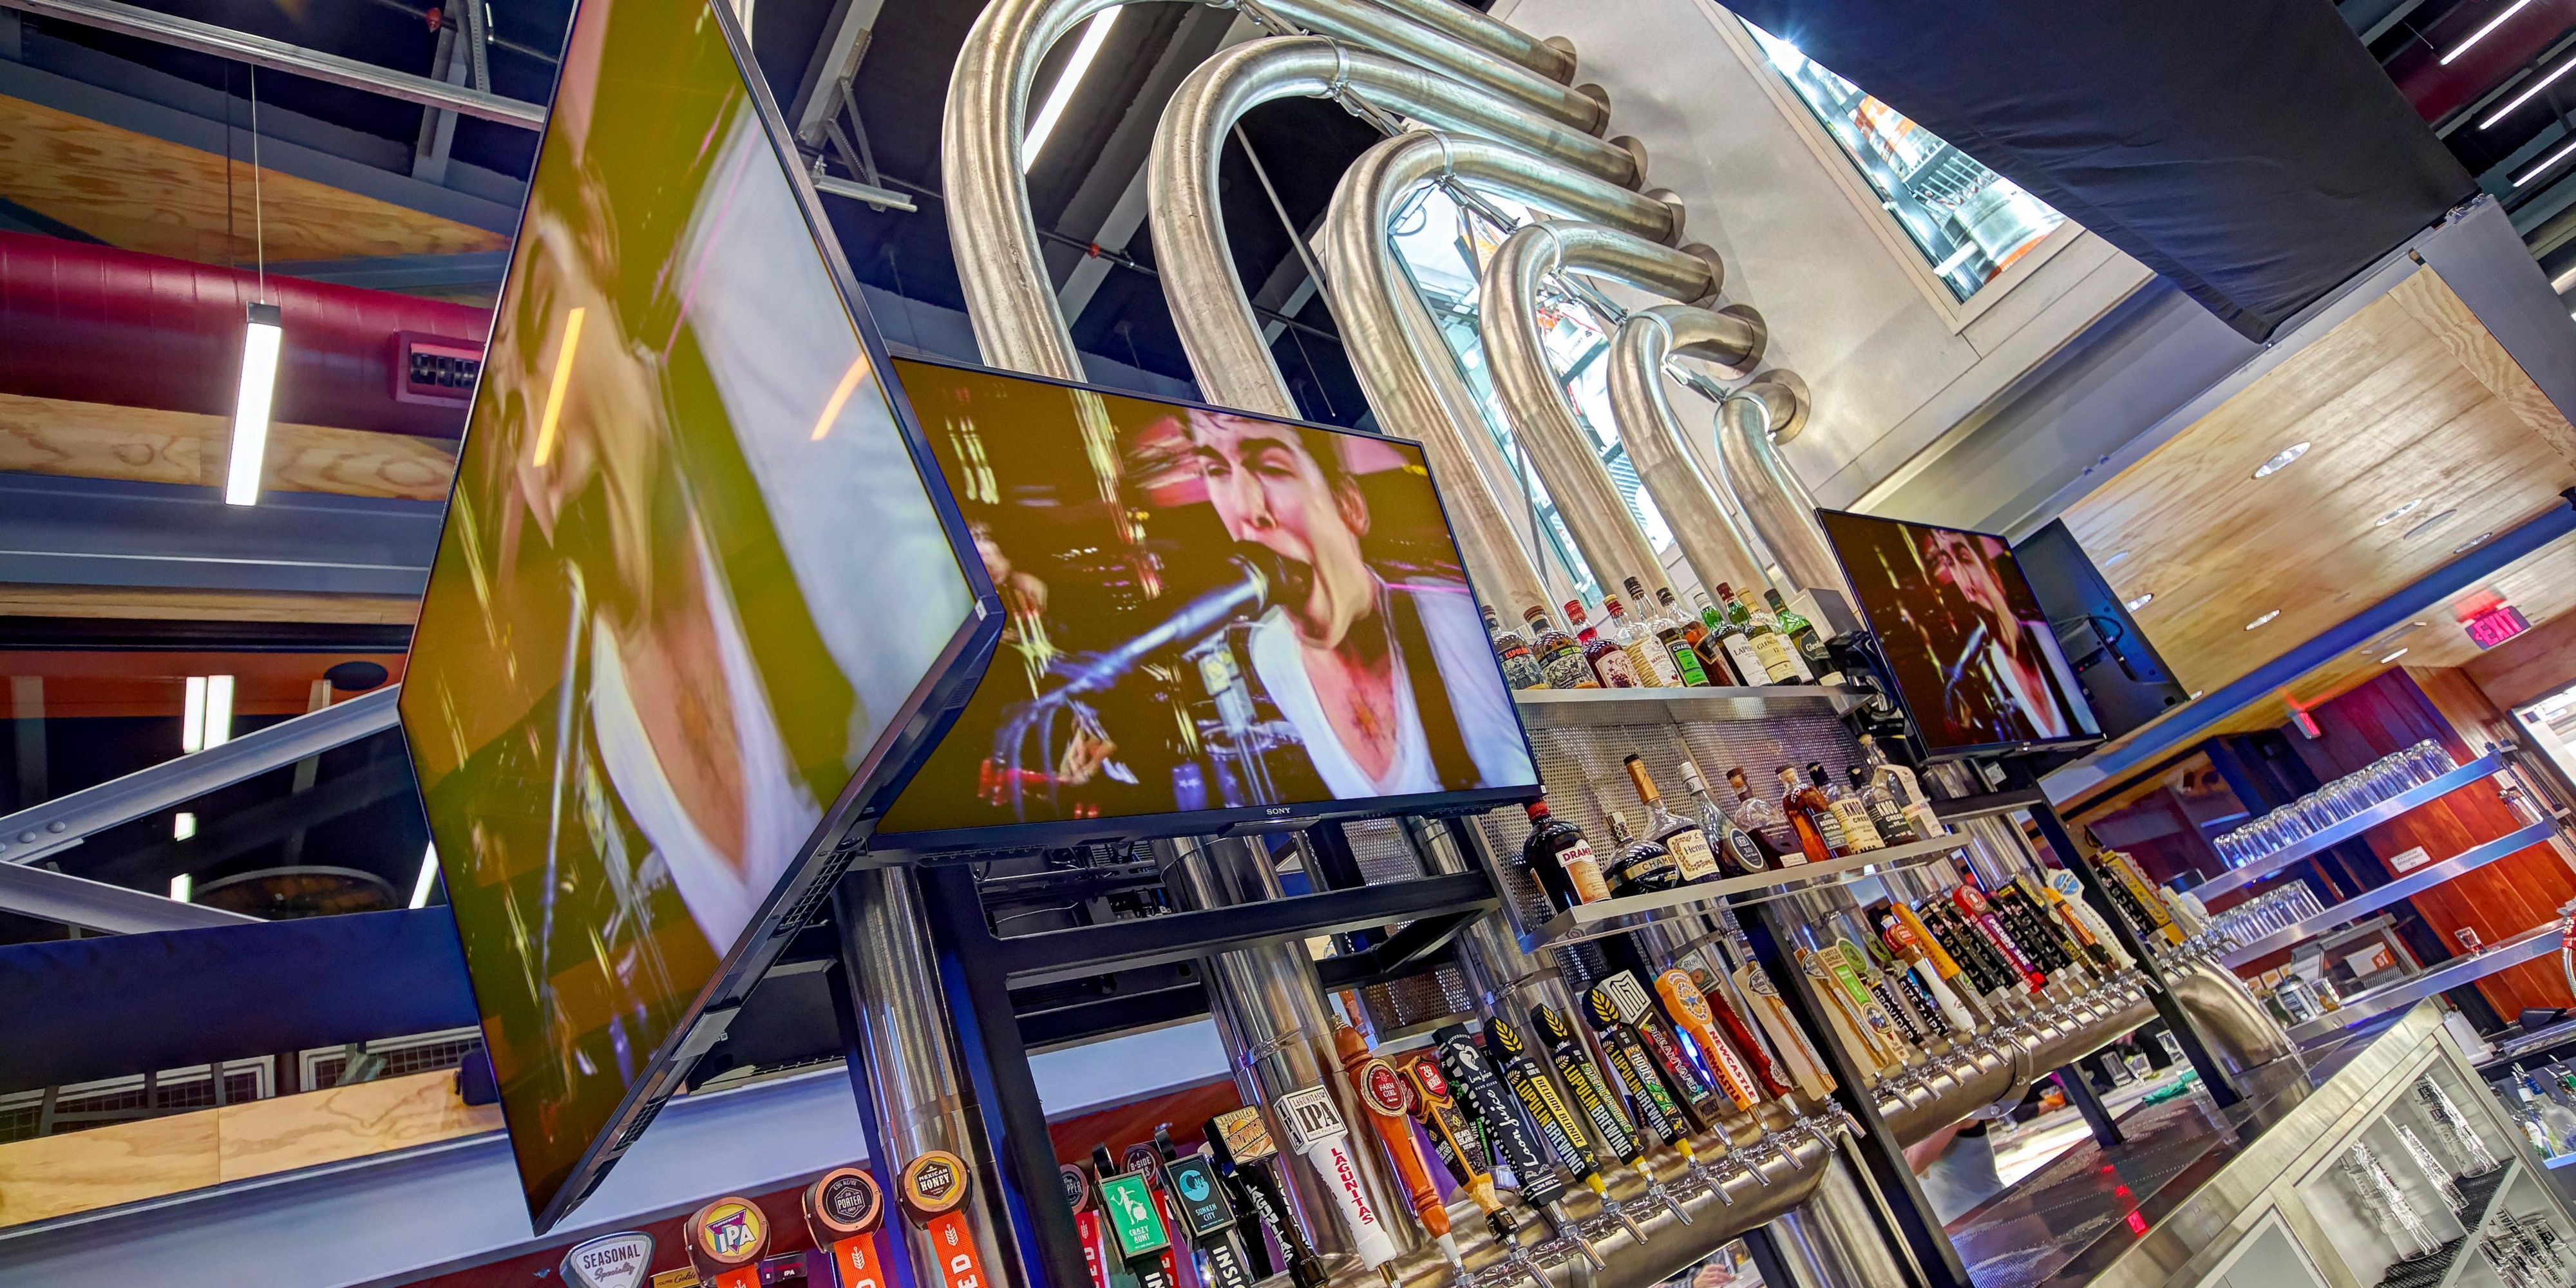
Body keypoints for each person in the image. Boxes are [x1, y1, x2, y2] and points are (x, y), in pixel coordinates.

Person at [1182, 408, 1535, 799]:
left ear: (1350, 504)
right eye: (1216, 471)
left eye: (1272, 467)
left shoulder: (1457, 625)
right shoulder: (1269, 652)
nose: (1247, 511)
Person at [1918, 526, 2077, 744]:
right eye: (1950, 563)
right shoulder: (1998, 660)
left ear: (1992, 569)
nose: (1966, 586)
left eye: (1965, 559)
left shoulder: (2046, 641)